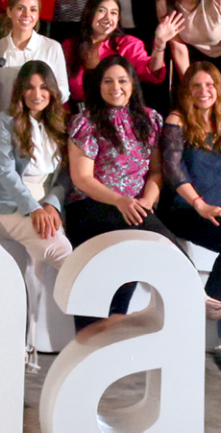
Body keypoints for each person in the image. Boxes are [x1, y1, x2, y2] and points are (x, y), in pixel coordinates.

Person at [64, 58, 173, 329]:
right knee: (132, 230)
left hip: (134, 209)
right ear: (98, 85)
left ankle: (112, 329)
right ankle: (189, 278)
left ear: (132, 84)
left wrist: (146, 201)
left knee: (134, 238)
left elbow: (156, 172)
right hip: (92, 205)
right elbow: (82, 178)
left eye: (122, 81)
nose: (116, 87)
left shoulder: (150, 119)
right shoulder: (86, 121)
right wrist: (121, 201)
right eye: (108, 81)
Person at [0, 60, 75, 357]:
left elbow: (66, 174)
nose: (37, 94)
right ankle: (94, 307)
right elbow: (6, 174)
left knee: (41, 259)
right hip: (7, 204)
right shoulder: (5, 121)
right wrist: (33, 208)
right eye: (30, 88)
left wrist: (51, 204)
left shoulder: (61, 123)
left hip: (46, 204)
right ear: (20, 91)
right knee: (59, 249)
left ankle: (31, 341)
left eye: (43, 87)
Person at [158, 62, 221, 333]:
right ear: (187, 90)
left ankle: (218, 327)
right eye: (196, 85)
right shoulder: (177, 120)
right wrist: (200, 205)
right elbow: (172, 169)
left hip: (219, 208)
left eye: (209, 85)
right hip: (184, 208)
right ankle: (207, 311)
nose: (203, 91)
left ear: (218, 89)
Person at [63, 0, 169, 103]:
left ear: (118, 19)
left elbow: (152, 73)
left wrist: (159, 45)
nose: (108, 18)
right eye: (102, 11)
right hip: (79, 111)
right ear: (89, 13)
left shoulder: (128, 44)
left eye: (113, 13)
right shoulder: (70, 45)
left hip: (119, 111)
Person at [0, 0, 70, 116]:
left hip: (42, 122)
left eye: (33, 10)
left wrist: (42, 96)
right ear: (9, 12)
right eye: (20, 8)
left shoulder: (52, 47)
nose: (27, 14)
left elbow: (63, 92)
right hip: (7, 123)